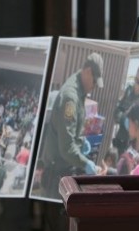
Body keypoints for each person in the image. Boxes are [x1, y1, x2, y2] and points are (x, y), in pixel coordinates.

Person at [41, 53, 104, 198]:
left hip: (64, 166)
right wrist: (86, 163)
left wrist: (82, 142)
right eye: (94, 82)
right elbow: (66, 148)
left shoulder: (80, 89)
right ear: (87, 72)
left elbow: (72, 129)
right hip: (57, 172)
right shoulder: (71, 98)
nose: (94, 86)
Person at [112, 64, 139, 154]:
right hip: (122, 136)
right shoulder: (128, 90)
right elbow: (116, 112)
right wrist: (124, 119)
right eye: (137, 81)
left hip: (133, 143)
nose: (138, 85)